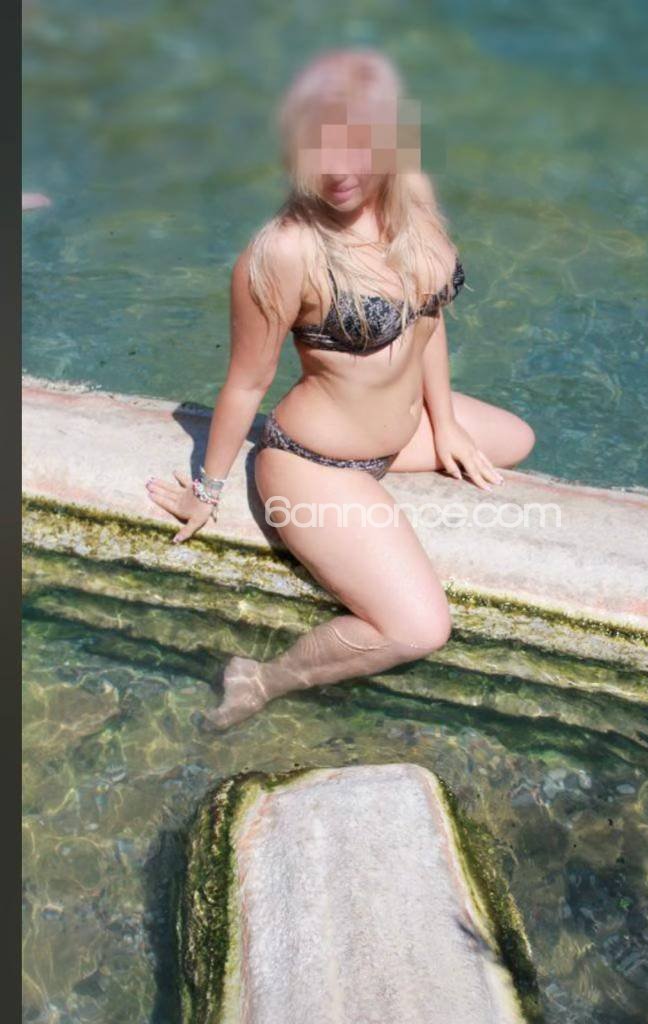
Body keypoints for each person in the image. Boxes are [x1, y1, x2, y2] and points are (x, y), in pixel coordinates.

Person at [146, 48, 535, 731]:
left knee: (515, 440)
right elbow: (247, 384)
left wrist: (444, 423)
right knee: (418, 628)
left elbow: (427, 315)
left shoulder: (410, 196)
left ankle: (415, 452)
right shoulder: (284, 252)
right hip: (314, 463)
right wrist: (204, 492)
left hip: (398, 436)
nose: (338, 169)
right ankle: (262, 678)